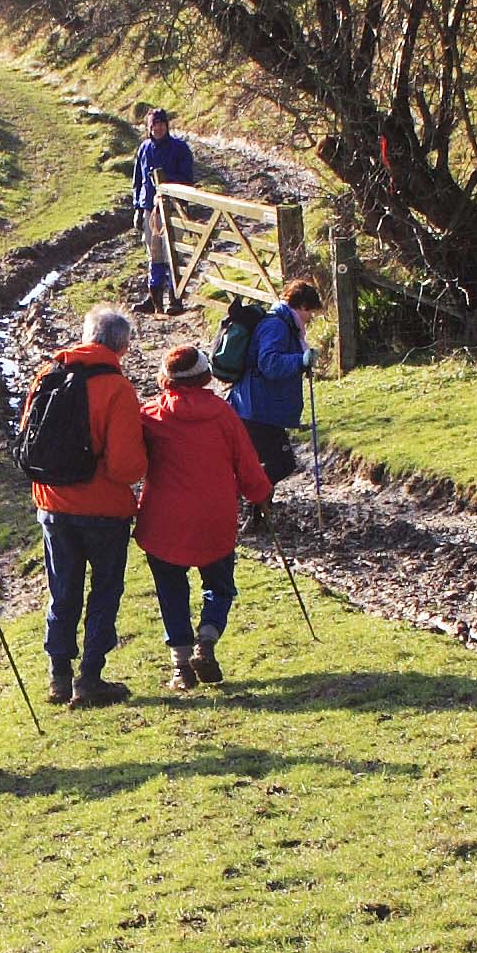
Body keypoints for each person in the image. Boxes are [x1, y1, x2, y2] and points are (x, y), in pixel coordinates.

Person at [23, 303, 150, 706]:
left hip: (52, 504)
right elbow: (126, 467)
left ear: (86, 336)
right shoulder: (117, 389)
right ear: (122, 347)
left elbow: (28, 436)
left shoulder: (47, 375)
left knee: (62, 590)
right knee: (105, 590)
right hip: (103, 508)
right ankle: (90, 677)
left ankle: (58, 675)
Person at [137, 343, 273, 690]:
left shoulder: (150, 415)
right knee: (219, 585)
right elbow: (246, 462)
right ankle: (207, 638)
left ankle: (181, 667)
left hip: (164, 522)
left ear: (166, 379)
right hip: (215, 518)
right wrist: (260, 494)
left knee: (171, 589)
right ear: (205, 375)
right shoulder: (223, 413)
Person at [233, 278, 327, 526]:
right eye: (311, 313)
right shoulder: (277, 326)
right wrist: (300, 361)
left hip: (258, 406)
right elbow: (269, 363)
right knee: (281, 463)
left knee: (268, 462)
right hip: (258, 409)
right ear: (303, 306)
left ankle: (258, 514)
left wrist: (301, 362)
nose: (310, 319)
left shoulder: (284, 324)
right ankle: (251, 507)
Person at [130, 107, 196, 311]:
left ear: (167, 125)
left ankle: (175, 298)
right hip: (150, 209)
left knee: (173, 252)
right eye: (153, 125)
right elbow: (138, 180)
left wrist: (166, 185)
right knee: (154, 253)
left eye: (161, 124)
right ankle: (154, 297)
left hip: (173, 208)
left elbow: (187, 179)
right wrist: (138, 208)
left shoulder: (180, 149)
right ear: (149, 128)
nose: (157, 128)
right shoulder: (144, 149)